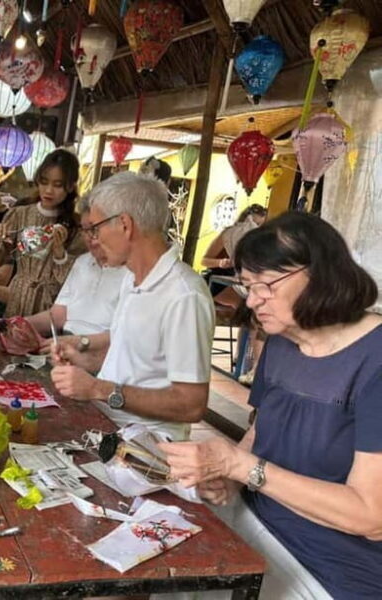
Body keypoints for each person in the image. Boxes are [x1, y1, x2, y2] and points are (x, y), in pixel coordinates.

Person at [159, 212, 382, 599]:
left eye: (266, 285)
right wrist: (226, 477)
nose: (255, 300)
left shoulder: (374, 362)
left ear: (321, 274)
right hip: (254, 522)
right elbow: (259, 435)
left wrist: (242, 467)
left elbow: (370, 515)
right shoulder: (281, 343)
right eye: (247, 286)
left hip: (330, 564)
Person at [50, 171, 215, 441]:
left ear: (125, 225)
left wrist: (98, 389)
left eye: (97, 228)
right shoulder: (131, 278)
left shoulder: (184, 295)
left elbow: (191, 404)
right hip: (105, 427)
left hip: (144, 451)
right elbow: (132, 360)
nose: (94, 239)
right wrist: (81, 360)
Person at [0, 149, 86, 316]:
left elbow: (75, 280)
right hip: (17, 296)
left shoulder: (76, 226)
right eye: (44, 182)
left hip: (51, 304)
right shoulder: (19, 214)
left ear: (70, 187)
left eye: (57, 185)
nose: (49, 190)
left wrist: (60, 254)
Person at [25, 197, 126, 353]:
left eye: (94, 229)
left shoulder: (133, 273)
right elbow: (58, 315)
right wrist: (21, 324)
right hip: (65, 345)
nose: (89, 237)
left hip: (100, 353)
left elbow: (125, 337)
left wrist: (79, 342)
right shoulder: (83, 262)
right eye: (84, 230)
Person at [201, 202, 268, 303]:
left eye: (259, 226)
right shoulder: (229, 234)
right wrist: (220, 263)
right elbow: (204, 261)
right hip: (219, 283)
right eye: (255, 224)